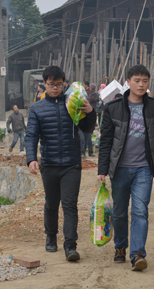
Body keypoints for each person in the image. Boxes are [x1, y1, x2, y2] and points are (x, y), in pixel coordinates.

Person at [98, 65, 154, 271]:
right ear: (128, 82)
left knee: (140, 211)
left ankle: (137, 254)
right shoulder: (113, 107)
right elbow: (106, 142)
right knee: (119, 212)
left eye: (145, 81)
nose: (141, 84)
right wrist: (102, 170)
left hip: (144, 169)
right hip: (119, 168)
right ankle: (120, 246)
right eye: (137, 80)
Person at [26, 66, 96, 262]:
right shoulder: (36, 108)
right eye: (51, 84)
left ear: (64, 84)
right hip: (49, 163)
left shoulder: (72, 103)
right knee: (51, 203)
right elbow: (31, 135)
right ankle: (50, 236)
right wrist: (31, 158)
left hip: (71, 163)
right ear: (44, 84)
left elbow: (87, 128)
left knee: (70, 205)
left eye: (58, 84)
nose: (55, 88)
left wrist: (90, 112)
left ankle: (70, 246)